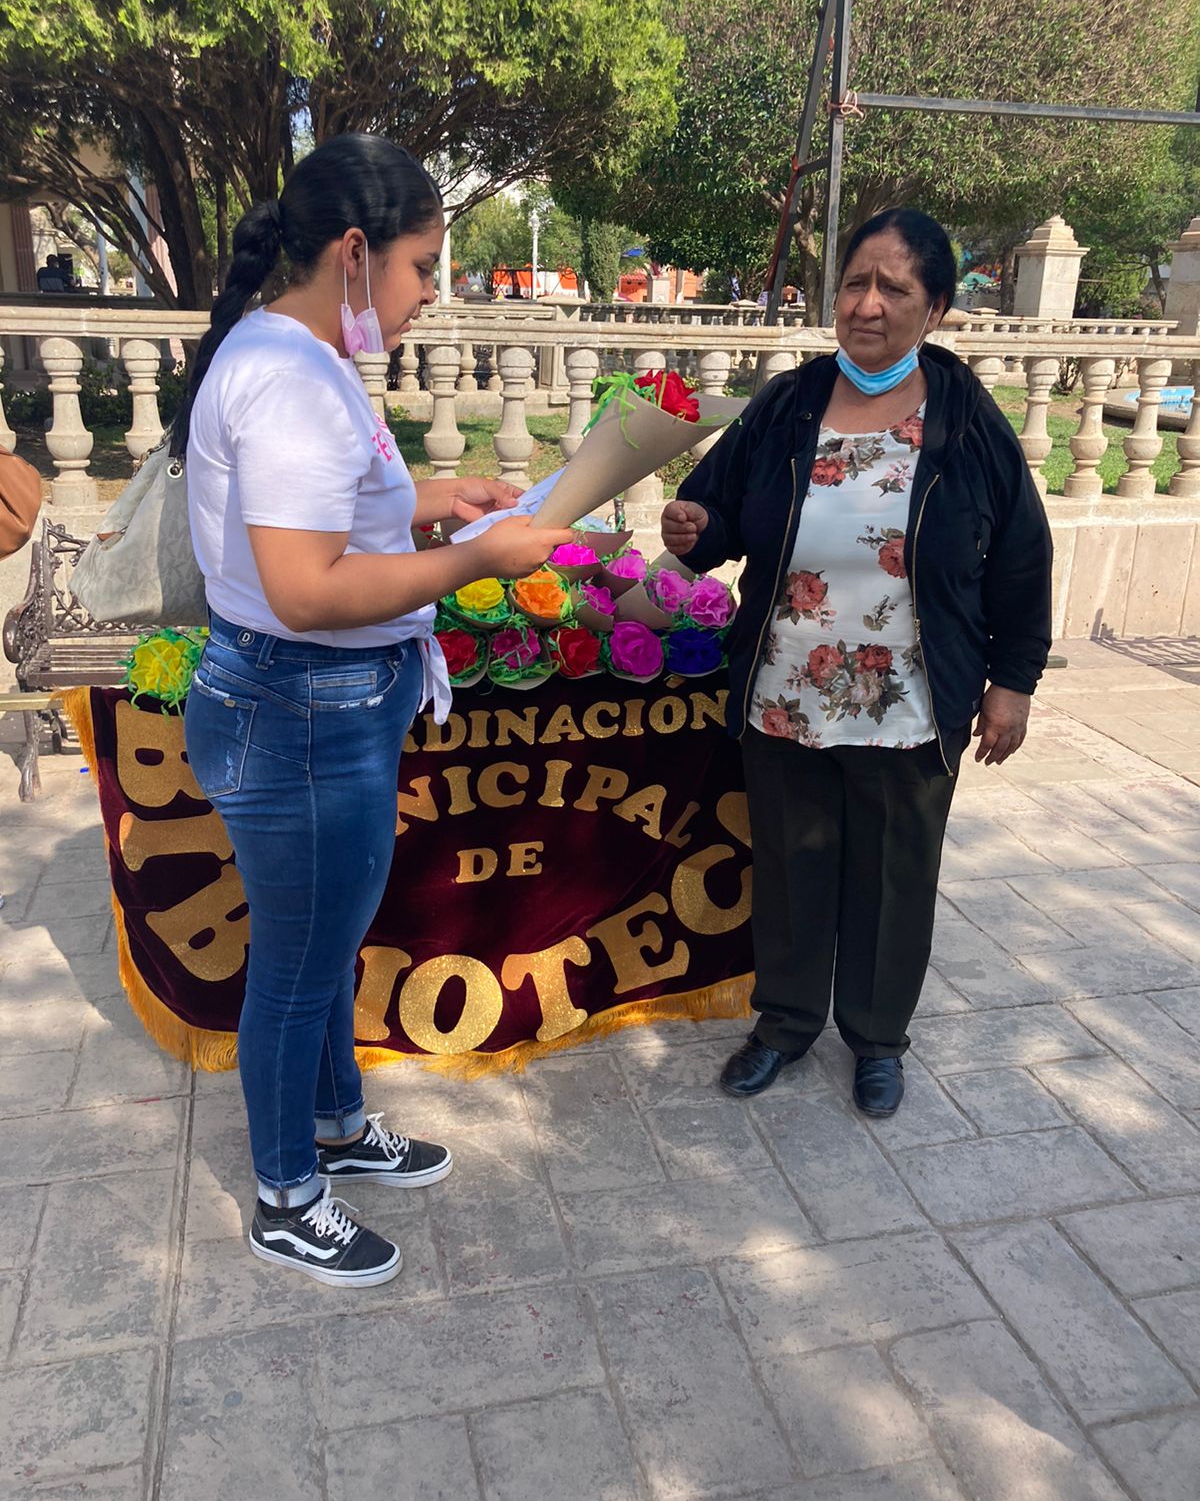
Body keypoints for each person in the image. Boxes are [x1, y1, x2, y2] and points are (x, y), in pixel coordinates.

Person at [179, 133, 573, 1286]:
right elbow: (304, 590)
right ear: (353, 254)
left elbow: (327, 529)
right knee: (299, 967)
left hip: (315, 708)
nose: (427, 294)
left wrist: (438, 502)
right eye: (419, 264)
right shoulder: (293, 379)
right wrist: (478, 560)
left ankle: (340, 1132)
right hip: (300, 711)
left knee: (328, 942)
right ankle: (285, 1193)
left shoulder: (287, 356)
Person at [662, 207, 1051, 1117]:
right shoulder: (789, 402)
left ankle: (877, 1039)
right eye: (854, 283)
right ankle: (785, 1025)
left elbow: (1023, 558)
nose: (867, 305)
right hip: (786, 691)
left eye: (895, 288)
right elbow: (715, 514)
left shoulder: (966, 420)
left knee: (894, 874)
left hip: (912, 700)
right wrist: (697, 528)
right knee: (793, 870)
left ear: (938, 308)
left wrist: (1013, 682)